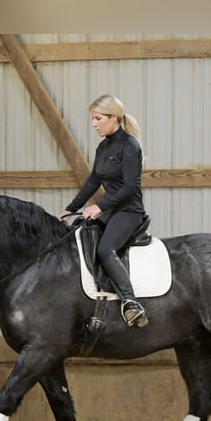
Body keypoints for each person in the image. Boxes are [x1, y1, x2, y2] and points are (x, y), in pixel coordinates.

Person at [60, 94, 149, 328]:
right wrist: (72, 208)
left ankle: (130, 302)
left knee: (105, 249)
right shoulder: (103, 147)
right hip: (110, 211)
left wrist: (99, 206)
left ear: (114, 118)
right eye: (92, 119)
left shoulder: (130, 146)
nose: (94, 124)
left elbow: (131, 187)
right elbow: (93, 181)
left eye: (98, 119)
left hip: (129, 211)